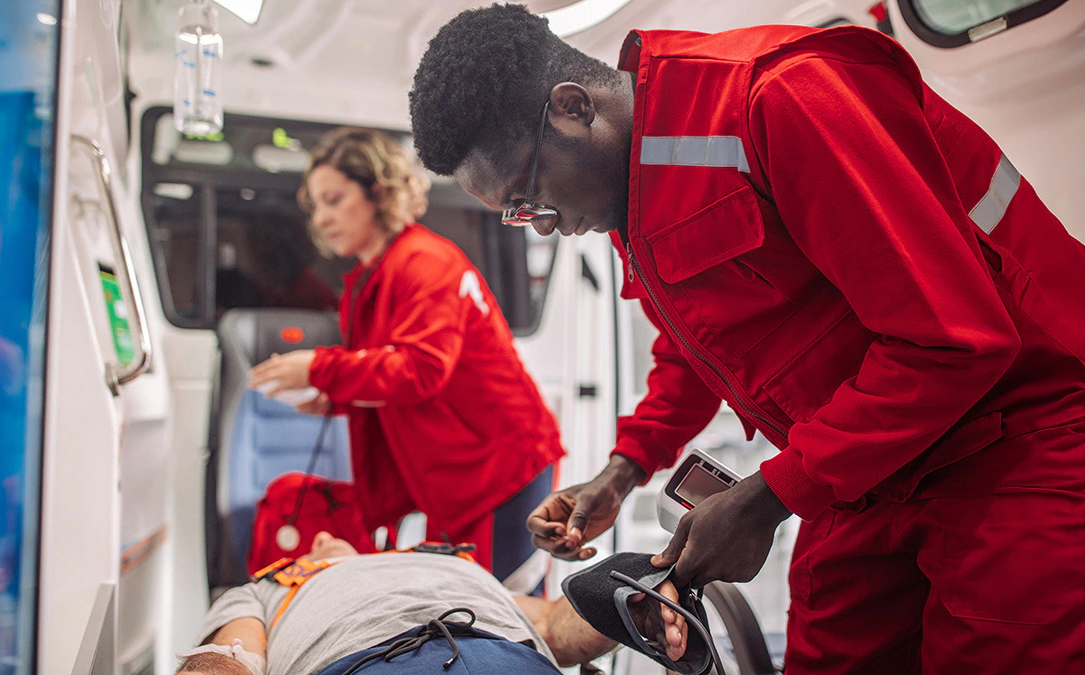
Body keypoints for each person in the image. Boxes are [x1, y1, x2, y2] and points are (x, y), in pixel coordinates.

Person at [407, 5, 1085, 673]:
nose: (542, 225)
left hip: (1022, 434)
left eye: (528, 197)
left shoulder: (781, 97)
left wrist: (770, 496)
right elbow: (695, 348)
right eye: (517, 215)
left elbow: (952, 341)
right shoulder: (627, 196)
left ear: (573, 107)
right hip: (871, 463)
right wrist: (625, 469)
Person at [247, 128, 564, 589]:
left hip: (501, 470)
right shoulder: (369, 280)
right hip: (455, 476)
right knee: (460, 605)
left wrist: (319, 368)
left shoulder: (424, 263)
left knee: (506, 610)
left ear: (378, 193)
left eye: (333, 200)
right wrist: (337, 396)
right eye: (315, 206)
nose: (322, 218)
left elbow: (421, 370)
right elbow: (388, 371)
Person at [175, 531, 684, 675]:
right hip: (370, 661)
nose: (325, 536)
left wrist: (626, 600)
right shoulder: (269, 588)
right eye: (315, 541)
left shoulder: (448, 563)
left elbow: (554, 626)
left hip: (511, 659)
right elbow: (230, 659)